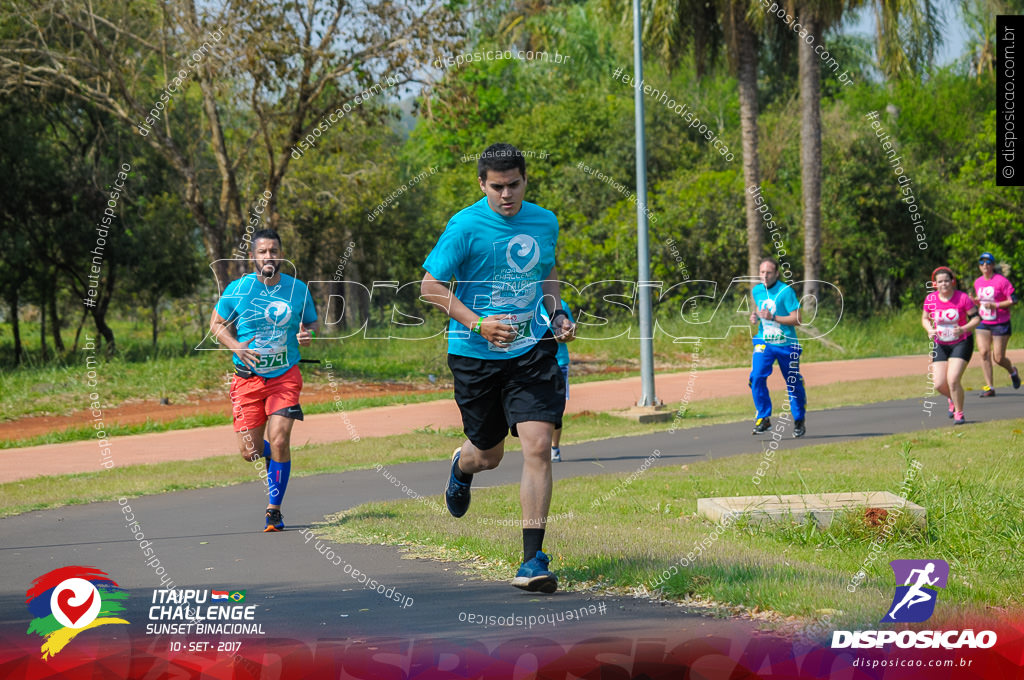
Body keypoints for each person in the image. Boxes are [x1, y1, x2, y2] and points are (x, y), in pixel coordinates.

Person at [420, 143, 575, 593]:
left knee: (539, 447)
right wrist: (478, 323)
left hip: (531, 350)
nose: (506, 195)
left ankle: (532, 560)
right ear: (482, 184)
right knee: (488, 454)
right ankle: (462, 467)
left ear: (526, 180)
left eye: (514, 185)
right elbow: (430, 287)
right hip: (475, 355)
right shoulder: (465, 226)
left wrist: (557, 312)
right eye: (497, 187)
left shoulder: (545, 221)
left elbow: (546, 273)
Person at [209, 228, 319, 531]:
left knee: (281, 439)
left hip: (285, 376)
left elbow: (311, 322)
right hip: (247, 380)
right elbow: (216, 323)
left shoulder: (297, 289)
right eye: (262, 252)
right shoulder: (239, 289)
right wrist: (235, 346)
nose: (268, 256)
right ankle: (271, 455)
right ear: (252, 257)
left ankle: (274, 510)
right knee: (251, 452)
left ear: (281, 254)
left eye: (273, 251)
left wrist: (307, 335)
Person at [748, 257, 807, 438]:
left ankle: (798, 419)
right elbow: (760, 309)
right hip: (764, 341)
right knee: (756, 376)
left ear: (776, 274)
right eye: (762, 272)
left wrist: (773, 317)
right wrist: (755, 316)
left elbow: (797, 319)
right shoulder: (757, 290)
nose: (764, 276)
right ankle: (764, 417)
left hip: (786, 344)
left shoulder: (785, 291)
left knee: (792, 382)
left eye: (769, 273)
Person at [922, 266, 979, 425]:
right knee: (939, 383)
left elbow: (976, 318)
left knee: (953, 379)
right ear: (935, 284)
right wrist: (929, 329)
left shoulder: (962, 298)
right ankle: (951, 398)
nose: (944, 284)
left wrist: (963, 329)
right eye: (940, 281)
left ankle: (959, 413)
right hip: (940, 343)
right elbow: (925, 318)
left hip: (961, 342)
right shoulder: (931, 299)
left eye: (947, 281)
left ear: (952, 282)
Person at [971, 252, 1020, 397]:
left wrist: (996, 305)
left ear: (993, 265)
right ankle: (989, 388)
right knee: (984, 353)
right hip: (983, 322)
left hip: (1000, 323)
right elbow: (982, 301)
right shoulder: (977, 282)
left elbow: (1013, 300)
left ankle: (1012, 371)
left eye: (988, 263)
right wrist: (975, 301)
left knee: (998, 358)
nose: (984, 265)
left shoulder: (1001, 281)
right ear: (979, 266)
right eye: (982, 263)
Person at [549, 299, 574, 463]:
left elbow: (572, 336)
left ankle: (554, 448)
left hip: (559, 362)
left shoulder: (561, 306)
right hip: (532, 363)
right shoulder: (526, 302)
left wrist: (564, 336)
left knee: (556, 410)